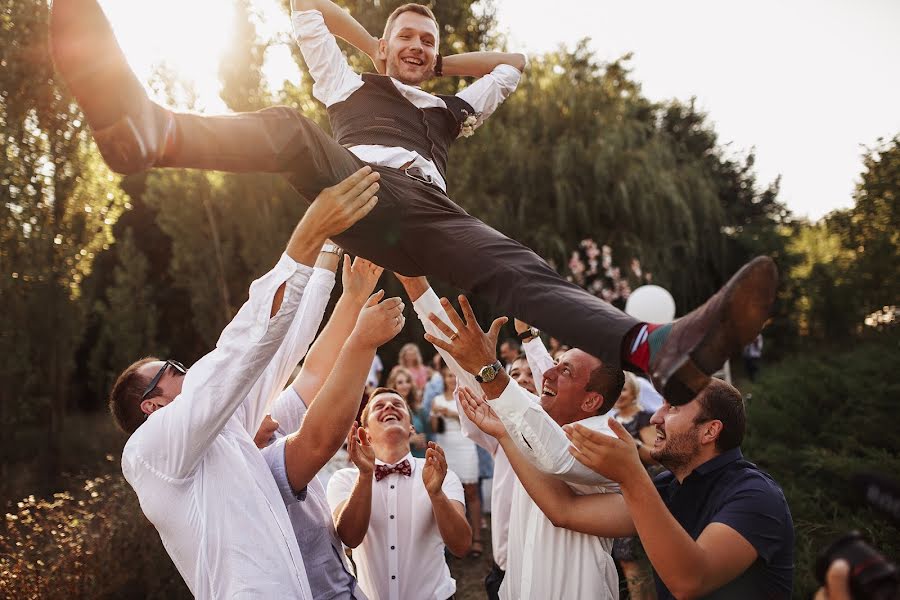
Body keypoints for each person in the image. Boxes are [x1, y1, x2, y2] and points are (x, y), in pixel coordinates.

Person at [51, 0, 779, 406]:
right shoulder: (345, 84)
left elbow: (516, 66)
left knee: (522, 270)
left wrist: (433, 62)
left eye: (426, 40)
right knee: (285, 129)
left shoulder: (447, 111)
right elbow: (302, 5)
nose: (417, 47)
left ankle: (654, 349)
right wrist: (370, 40)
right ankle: (153, 132)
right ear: (381, 46)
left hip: (428, 219)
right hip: (360, 189)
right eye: (408, 36)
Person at [106, 168, 380, 598]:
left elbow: (282, 352)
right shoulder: (147, 455)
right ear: (151, 406)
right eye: (172, 370)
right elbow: (236, 355)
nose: (186, 370)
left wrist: (329, 250)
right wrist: (307, 235)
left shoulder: (229, 432)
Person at [460, 373, 795, 599]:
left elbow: (690, 580)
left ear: (710, 431)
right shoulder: (668, 486)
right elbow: (565, 510)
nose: (655, 418)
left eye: (673, 407)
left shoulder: (754, 496)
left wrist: (632, 475)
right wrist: (506, 435)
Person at [409, 285, 626, 599]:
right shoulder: (530, 419)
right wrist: (415, 286)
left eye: (564, 369)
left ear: (592, 402)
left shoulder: (608, 440)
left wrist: (490, 370)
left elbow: (558, 457)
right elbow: (470, 372)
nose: (548, 372)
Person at [255, 252, 397, 600]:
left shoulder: (267, 424)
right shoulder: (247, 464)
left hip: (346, 586)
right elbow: (321, 439)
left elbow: (315, 372)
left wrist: (352, 296)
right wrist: (363, 342)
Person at [326, 388, 471, 600]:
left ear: (411, 427)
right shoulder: (345, 480)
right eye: (379, 406)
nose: (389, 407)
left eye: (397, 404)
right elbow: (350, 538)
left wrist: (436, 494)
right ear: (364, 433)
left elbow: (461, 546)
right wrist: (366, 475)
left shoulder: (441, 475)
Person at [610, 372, 659, 600]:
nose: (620, 395)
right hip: (614, 492)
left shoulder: (645, 418)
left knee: (633, 558)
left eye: (624, 390)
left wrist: (633, 445)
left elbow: (655, 455)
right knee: (621, 558)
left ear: (634, 392)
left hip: (639, 490)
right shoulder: (609, 420)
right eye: (616, 390)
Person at [429, 364, 484, 557]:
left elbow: (475, 421)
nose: (451, 379)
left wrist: (449, 412)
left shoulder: (466, 396)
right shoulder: (436, 400)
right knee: (445, 493)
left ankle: (476, 537)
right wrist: (436, 412)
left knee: (471, 491)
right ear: (443, 378)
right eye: (447, 376)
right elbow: (435, 428)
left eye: (453, 376)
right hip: (446, 446)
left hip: (466, 444)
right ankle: (447, 541)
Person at [386, 365, 428, 458]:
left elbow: (429, 435)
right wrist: (410, 440)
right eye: (400, 382)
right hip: (397, 461)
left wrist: (423, 440)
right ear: (394, 386)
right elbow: (385, 440)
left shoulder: (420, 410)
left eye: (407, 381)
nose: (405, 385)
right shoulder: (387, 411)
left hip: (419, 459)